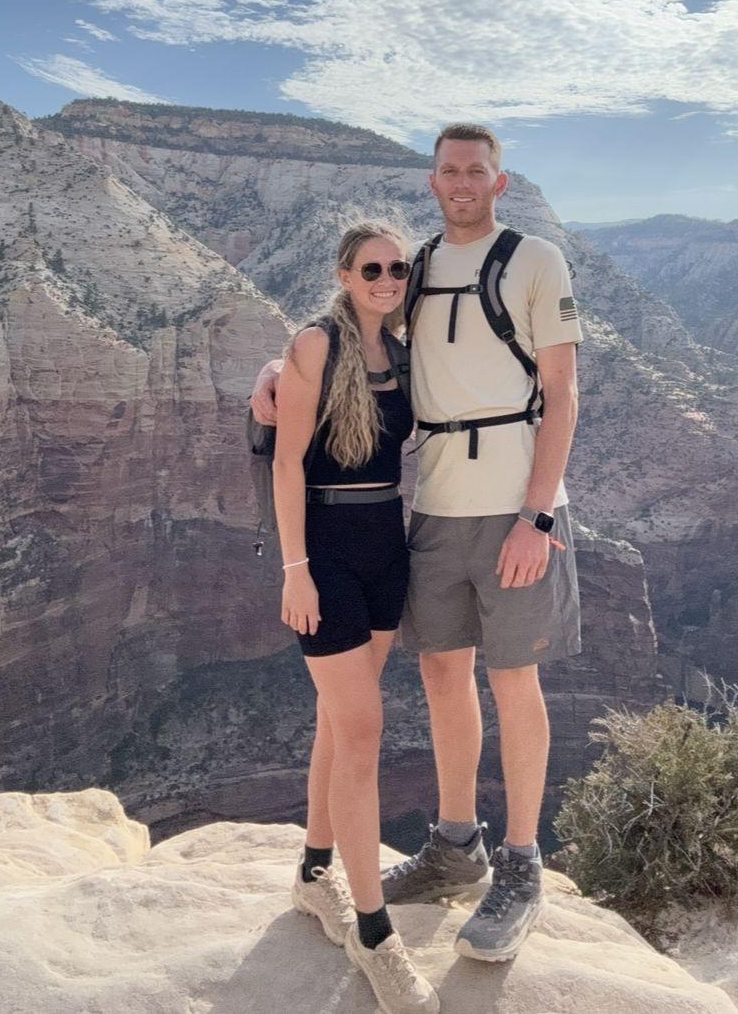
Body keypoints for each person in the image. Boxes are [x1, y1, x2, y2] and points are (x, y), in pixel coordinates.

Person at [254, 123, 583, 965]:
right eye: (449, 171)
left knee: (514, 680)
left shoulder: (535, 259)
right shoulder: (423, 266)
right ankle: (454, 844)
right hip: (432, 510)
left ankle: (519, 862)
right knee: (443, 674)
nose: (462, 182)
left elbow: (562, 392)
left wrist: (536, 516)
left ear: (497, 182)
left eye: (477, 171)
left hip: (513, 506)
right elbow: (343, 339)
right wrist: (275, 370)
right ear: (433, 182)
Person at [271, 219, 439, 1014]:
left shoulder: (403, 353)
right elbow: (284, 460)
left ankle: (313, 874)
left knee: (340, 725)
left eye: (398, 268)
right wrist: (295, 570)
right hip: (327, 553)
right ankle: (373, 932)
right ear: (344, 274)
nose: (385, 278)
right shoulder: (314, 346)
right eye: (371, 267)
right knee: (364, 729)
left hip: (386, 543)